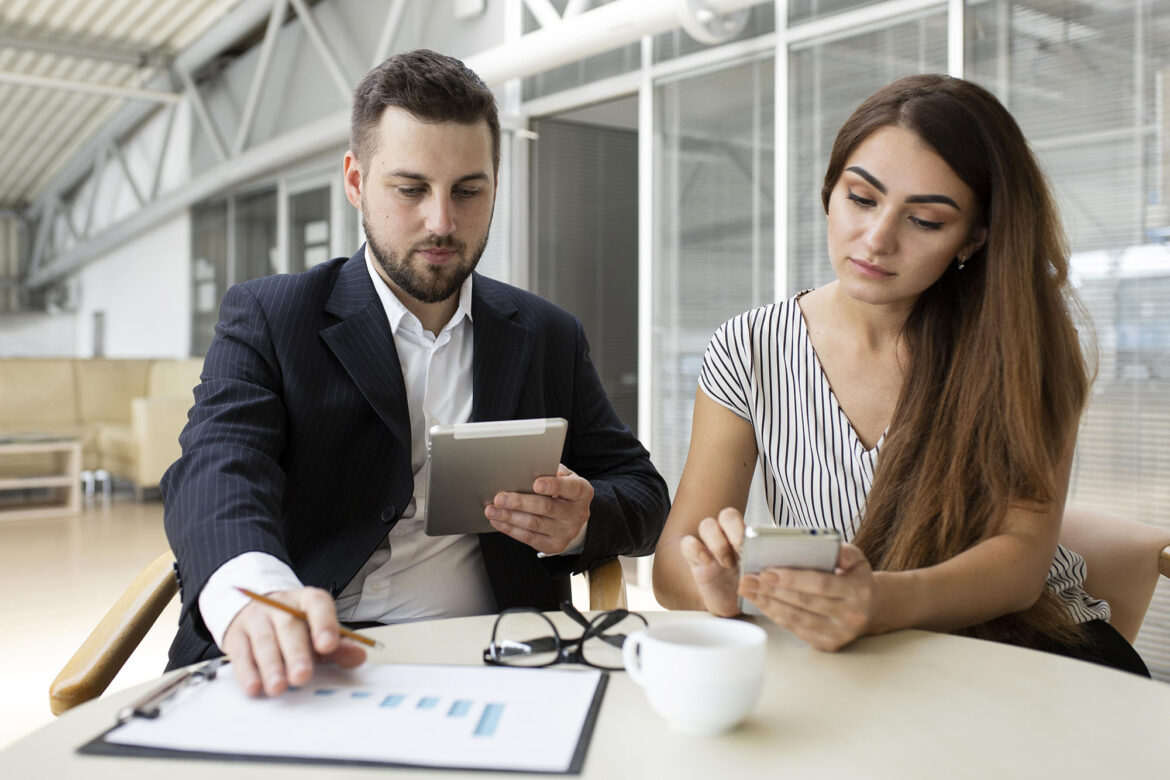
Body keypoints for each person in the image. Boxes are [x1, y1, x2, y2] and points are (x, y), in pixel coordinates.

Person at [162, 49, 670, 694]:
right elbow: (215, 468)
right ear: (356, 181)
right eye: (410, 190)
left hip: (498, 659)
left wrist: (583, 520)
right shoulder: (272, 315)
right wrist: (255, 590)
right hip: (309, 652)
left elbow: (644, 494)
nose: (442, 223)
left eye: (468, 191)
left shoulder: (548, 335)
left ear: (495, 185)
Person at [651, 74, 1148, 676]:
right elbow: (673, 568)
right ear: (830, 190)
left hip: (1034, 649)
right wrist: (729, 589)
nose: (877, 239)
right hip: (862, 659)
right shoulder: (748, 348)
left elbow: (1020, 567)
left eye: (926, 221)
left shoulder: (1020, 346)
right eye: (862, 199)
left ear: (974, 238)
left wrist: (877, 603)